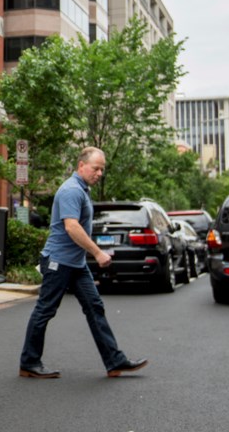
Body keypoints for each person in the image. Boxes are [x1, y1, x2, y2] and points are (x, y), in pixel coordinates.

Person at [19, 147, 148, 379]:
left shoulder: (82, 189)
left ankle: (115, 361)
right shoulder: (71, 190)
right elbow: (71, 227)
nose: (99, 173)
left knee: (94, 307)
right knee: (45, 310)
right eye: (95, 168)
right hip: (58, 261)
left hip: (76, 264)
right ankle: (29, 362)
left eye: (102, 169)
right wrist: (97, 253)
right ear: (81, 166)